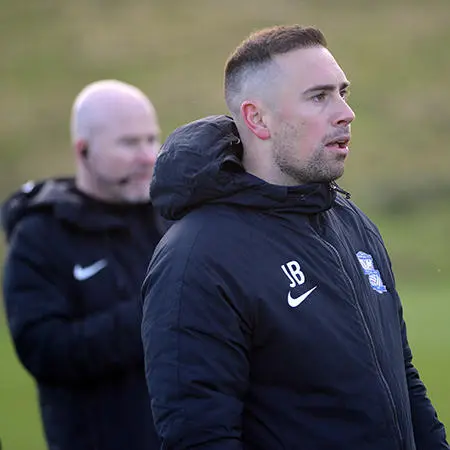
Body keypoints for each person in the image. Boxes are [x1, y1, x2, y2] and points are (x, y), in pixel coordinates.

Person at [141, 25, 449, 449]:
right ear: (257, 118)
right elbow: (201, 437)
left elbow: (403, 377)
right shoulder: (197, 257)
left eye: (343, 92)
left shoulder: (351, 222)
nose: (345, 112)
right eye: (319, 96)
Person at [2, 79, 165, 450]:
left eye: (151, 139)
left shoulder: (169, 217)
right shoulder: (40, 236)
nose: (148, 155)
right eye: (129, 143)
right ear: (83, 149)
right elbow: (45, 350)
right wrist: (155, 313)